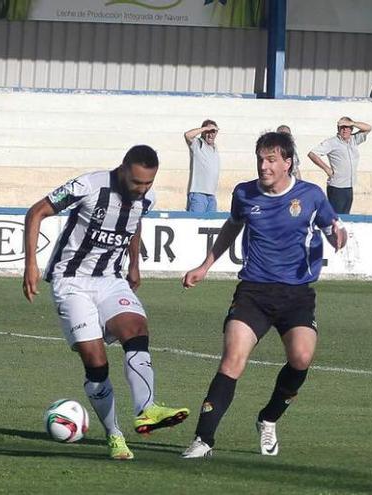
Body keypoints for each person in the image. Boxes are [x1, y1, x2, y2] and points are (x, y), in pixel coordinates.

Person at [180, 132, 347, 460]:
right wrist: (205, 266)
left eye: (271, 160)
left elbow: (333, 230)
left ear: (287, 163)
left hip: (297, 295)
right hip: (253, 292)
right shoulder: (244, 193)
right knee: (232, 360)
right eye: (260, 159)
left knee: (301, 358)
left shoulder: (310, 196)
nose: (264, 165)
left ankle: (268, 418)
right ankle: (203, 439)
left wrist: (338, 237)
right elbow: (232, 227)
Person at [23, 145, 190, 461]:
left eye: (148, 184)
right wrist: (30, 264)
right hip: (71, 281)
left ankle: (147, 409)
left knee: (136, 328)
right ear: (124, 168)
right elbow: (37, 212)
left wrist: (134, 263)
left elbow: (136, 220)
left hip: (110, 280)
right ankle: (114, 435)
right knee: (96, 362)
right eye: (138, 182)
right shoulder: (88, 186)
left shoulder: (146, 199)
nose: (142, 190)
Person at [306, 116, 372, 215]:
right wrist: (326, 168)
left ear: (351, 129)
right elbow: (312, 154)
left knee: (345, 216)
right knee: (336, 217)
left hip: (349, 185)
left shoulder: (354, 139)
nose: (345, 129)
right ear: (338, 129)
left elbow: (369, 128)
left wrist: (352, 123)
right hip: (337, 187)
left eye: (347, 127)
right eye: (342, 127)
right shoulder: (332, 142)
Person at [183, 120, 220, 213]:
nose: (210, 134)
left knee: (211, 226)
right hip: (198, 194)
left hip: (211, 195)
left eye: (213, 131)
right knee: (194, 223)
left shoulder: (214, 148)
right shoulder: (198, 144)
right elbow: (187, 135)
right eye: (208, 131)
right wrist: (205, 128)